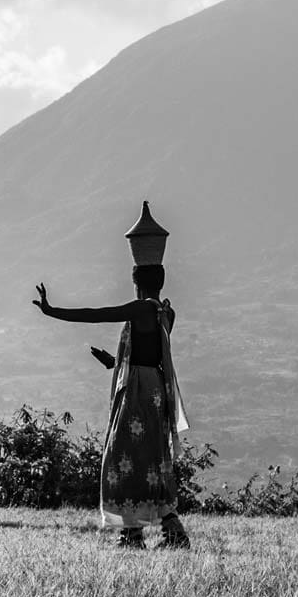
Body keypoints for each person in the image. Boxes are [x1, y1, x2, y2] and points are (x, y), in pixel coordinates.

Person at [33, 202, 191, 549]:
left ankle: (136, 532)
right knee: (149, 459)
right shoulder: (167, 312)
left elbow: (95, 314)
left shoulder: (141, 308)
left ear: (136, 280)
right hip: (153, 390)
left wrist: (51, 311)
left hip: (137, 392)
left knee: (122, 456)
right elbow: (153, 356)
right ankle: (162, 530)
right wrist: (113, 363)